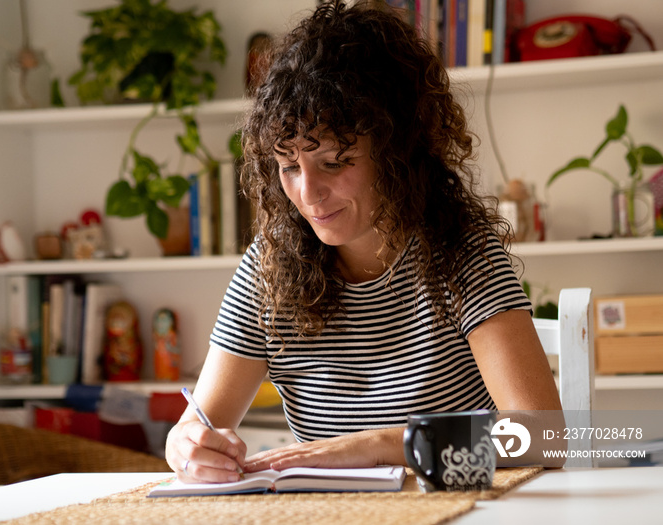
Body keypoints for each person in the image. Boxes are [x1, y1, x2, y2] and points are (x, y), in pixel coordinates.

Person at [166, 0, 563, 483]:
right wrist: (188, 446)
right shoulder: (267, 270)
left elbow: (543, 435)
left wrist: (383, 446)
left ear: (397, 152)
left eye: (334, 162)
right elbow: (196, 426)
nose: (308, 194)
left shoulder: (462, 254)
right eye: (289, 167)